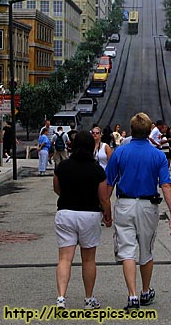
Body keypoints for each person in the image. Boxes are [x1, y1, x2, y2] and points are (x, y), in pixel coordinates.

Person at [105, 112, 171, 312]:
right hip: (148, 206)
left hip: (125, 204)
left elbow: (108, 184)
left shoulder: (120, 152)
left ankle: (132, 295)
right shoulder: (157, 155)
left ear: (131, 131)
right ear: (149, 132)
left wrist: (105, 209)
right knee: (146, 250)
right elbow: (166, 185)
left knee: (127, 250)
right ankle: (146, 291)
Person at [53, 130, 112, 310]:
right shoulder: (97, 170)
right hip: (89, 214)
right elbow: (103, 197)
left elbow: (57, 189)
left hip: (66, 213)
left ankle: (61, 297)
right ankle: (88, 298)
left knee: (65, 258)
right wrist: (107, 213)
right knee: (88, 259)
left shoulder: (62, 167)